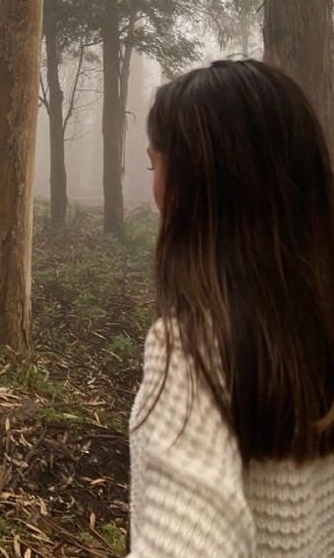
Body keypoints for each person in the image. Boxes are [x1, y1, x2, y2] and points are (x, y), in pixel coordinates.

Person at [128, 59, 334, 557]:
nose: (153, 187)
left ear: (194, 187)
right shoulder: (317, 333)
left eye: (154, 163)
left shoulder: (194, 349)